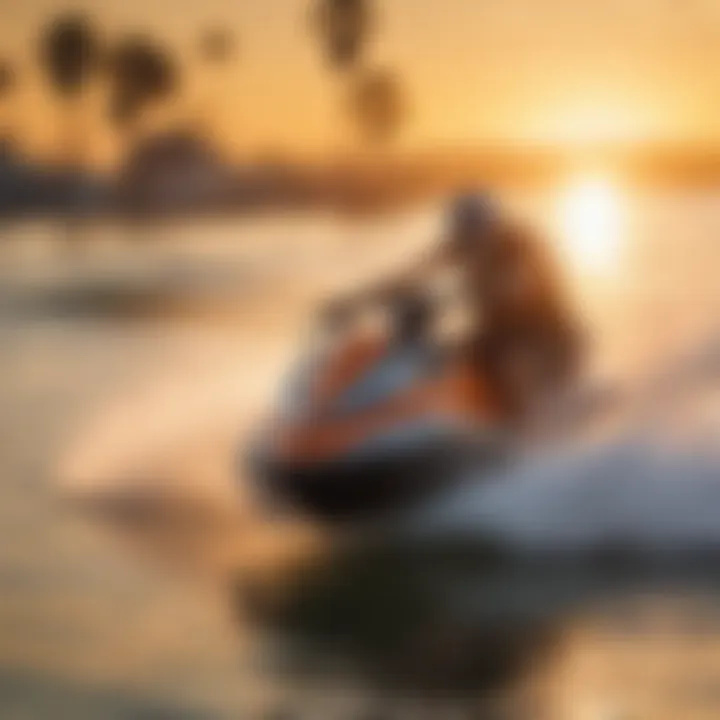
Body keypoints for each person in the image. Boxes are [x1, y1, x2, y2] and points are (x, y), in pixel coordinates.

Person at [322, 192, 584, 427]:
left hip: (544, 335)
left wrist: (503, 290)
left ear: (490, 228)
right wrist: (353, 303)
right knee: (443, 360)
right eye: (463, 236)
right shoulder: (459, 246)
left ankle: (518, 434)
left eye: (474, 237)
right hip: (497, 331)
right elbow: (410, 274)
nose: (468, 245)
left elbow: (529, 282)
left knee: (495, 363)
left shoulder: (519, 245)